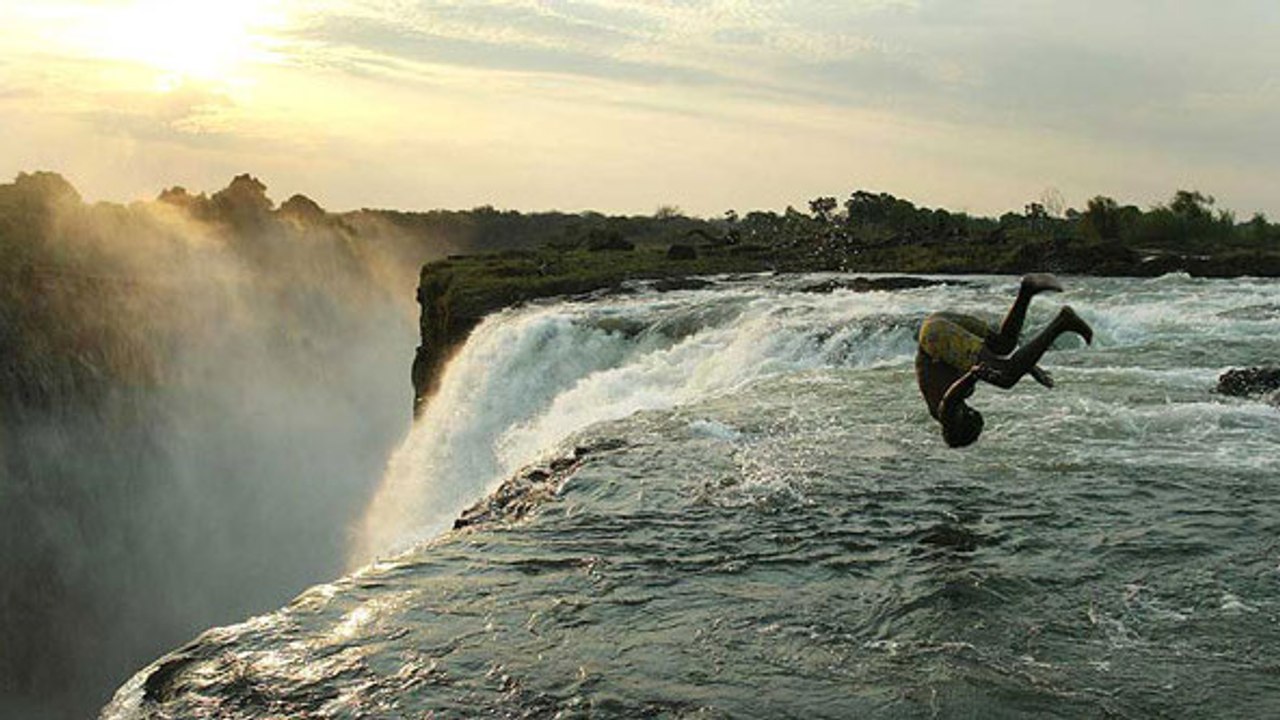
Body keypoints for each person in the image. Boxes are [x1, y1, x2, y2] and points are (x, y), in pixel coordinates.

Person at [915, 273, 1093, 447]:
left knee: (1006, 378)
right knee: (1004, 344)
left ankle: (1061, 322)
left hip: (937, 336)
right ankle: (1028, 289)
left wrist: (972, 376)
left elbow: (950, 399)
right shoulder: (958, 398)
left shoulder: (944, 416)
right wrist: (1030, 367)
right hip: (937, 325)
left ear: (960, 427)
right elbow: (992, 361)